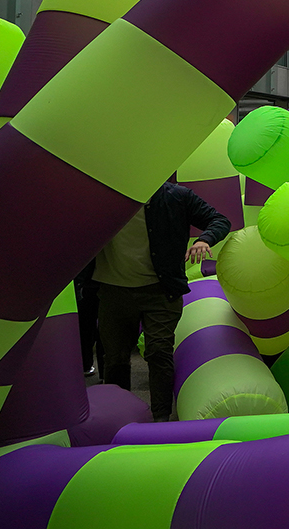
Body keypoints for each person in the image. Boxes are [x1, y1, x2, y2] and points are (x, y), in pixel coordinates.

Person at [95, 180, 231, 421]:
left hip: (161, 289)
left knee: (159, 351)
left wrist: (204, 239)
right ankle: (119, 415)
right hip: (114, 289)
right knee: (115, 357)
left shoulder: (174, 196)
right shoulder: (105, 198)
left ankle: (161, 417)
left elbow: (219, 220)